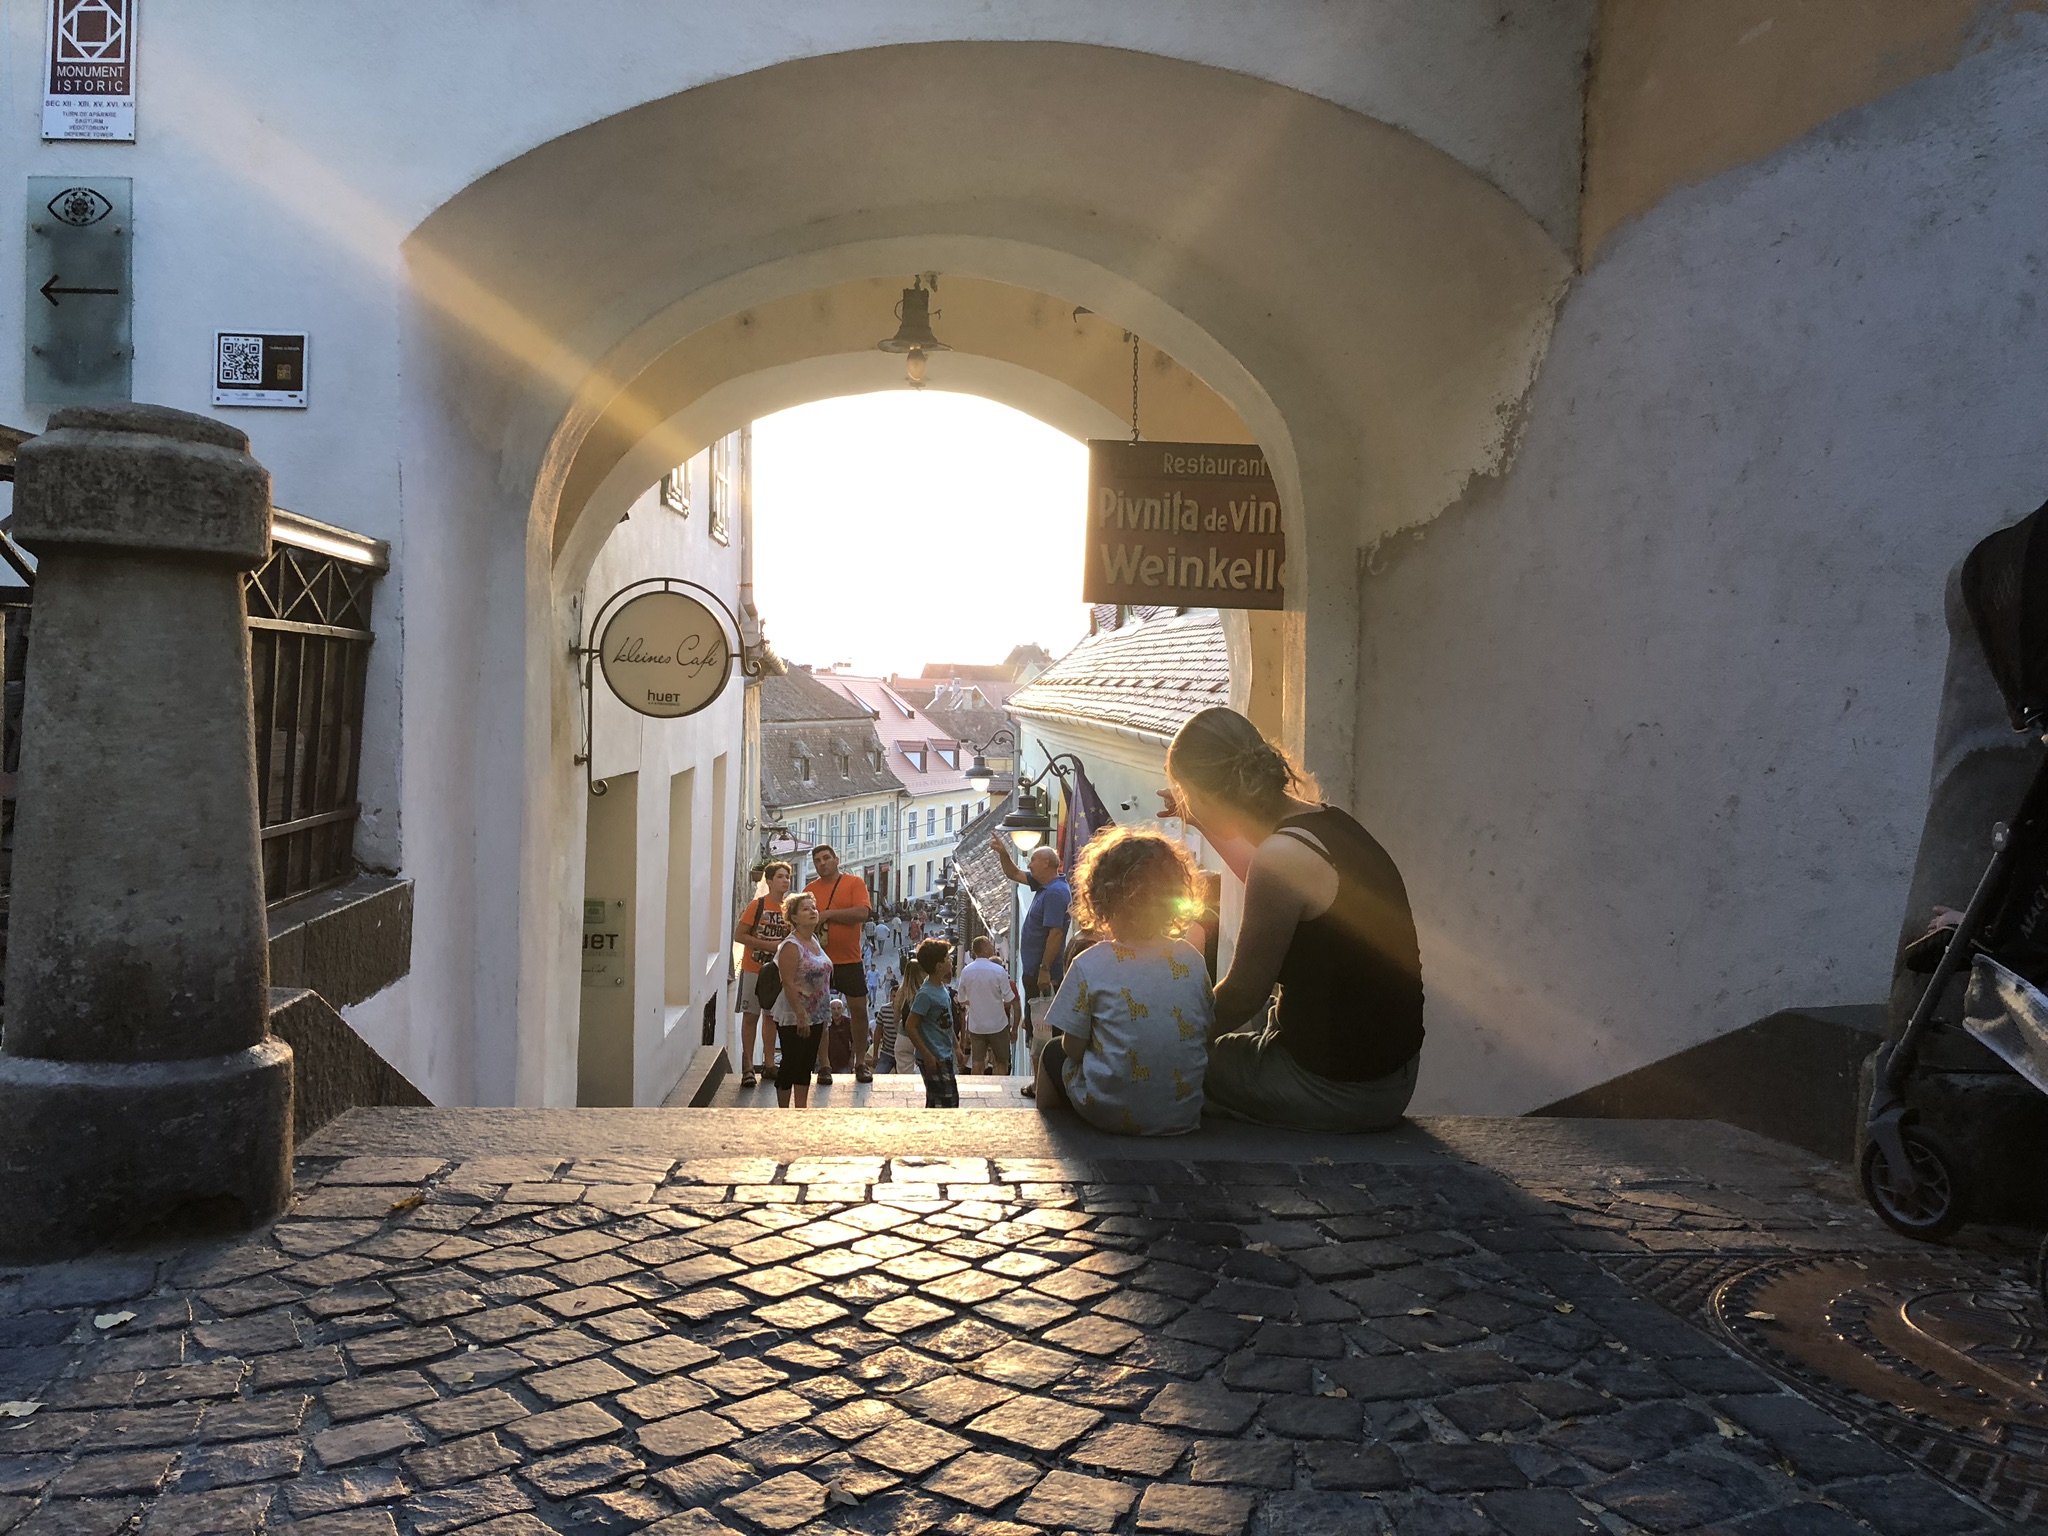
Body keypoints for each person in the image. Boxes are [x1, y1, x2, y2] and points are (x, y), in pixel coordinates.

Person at [1164, 706, 1423, 1132]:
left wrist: (1155, 1030)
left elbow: (1242, 997)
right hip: (1389, 1077)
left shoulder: (1280, 860)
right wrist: (1204, 821)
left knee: (1148, 1070)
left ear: (1206, 796)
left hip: (1337, 1089)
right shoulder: (1325, 823)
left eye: (1187, 795)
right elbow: (1269, 885)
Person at [1033, 827, 1213, 1135]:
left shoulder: (1089, 963)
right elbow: (1204, 1028)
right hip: (1182, 1114)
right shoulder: (1191, 959)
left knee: (1051, 1053)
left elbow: (1072, 1048)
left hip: (1110, 1115)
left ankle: (1055, 1137)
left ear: (1100, 900)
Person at [805, 846, 875, 1084]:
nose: (822, 863)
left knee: (858, 1010)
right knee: (819, 1014)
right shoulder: (810, 890)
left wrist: (827, 915)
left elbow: (862, 913)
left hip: (850, 959)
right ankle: (824, 1064)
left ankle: (861, 1062)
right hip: (818, 960)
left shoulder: (854, 883)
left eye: (826, 858)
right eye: (817, 861)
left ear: (836, 860)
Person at [770, 891, 833, 1109]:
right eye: (806, 909)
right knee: (791, 1063)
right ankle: (784, 1112)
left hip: (815, 1014)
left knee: (806, 1064)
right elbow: (788, 982)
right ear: (794, 918)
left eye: (813, 908)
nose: (812, 912)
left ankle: (801, 1110)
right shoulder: (791, 946)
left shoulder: (814, 940)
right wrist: (800, 1015)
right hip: (795, 1015)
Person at [732, 863, 793, 1088]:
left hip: (776, 972)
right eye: (780, 876)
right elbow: (740, 935)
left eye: (787, 876)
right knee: (751, 1016)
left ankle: (769, 1065)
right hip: (753, 968)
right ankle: (748, 1067)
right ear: (768, 881)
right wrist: (768, 945)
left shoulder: (790, 909)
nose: (785, 880)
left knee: (770, 1017)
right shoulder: (757, 906)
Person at [904, 938, 960, 1108]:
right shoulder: (926, 994)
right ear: (938, 966)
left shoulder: (941, 988)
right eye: (947, 959)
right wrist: (927, 1055)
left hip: (944, 1053)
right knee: (948, 1101)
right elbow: (910, 1026)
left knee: (937, 1100)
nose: (951, 961)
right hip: (934, 1056)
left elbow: (946, 1021)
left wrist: (956, 1047)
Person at [956, 936, 1018, 1075]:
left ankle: (977, 1090)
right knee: (1001, 1061)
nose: (992, 946)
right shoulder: (998, 970)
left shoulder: (966, 971)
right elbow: (1009, 999)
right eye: (989, 944)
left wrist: (975, 1001)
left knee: (977, 1061)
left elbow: (961, 998)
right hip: (997, 1024)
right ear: (983, 948)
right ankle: (1001, 1090)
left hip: (976, 1025)